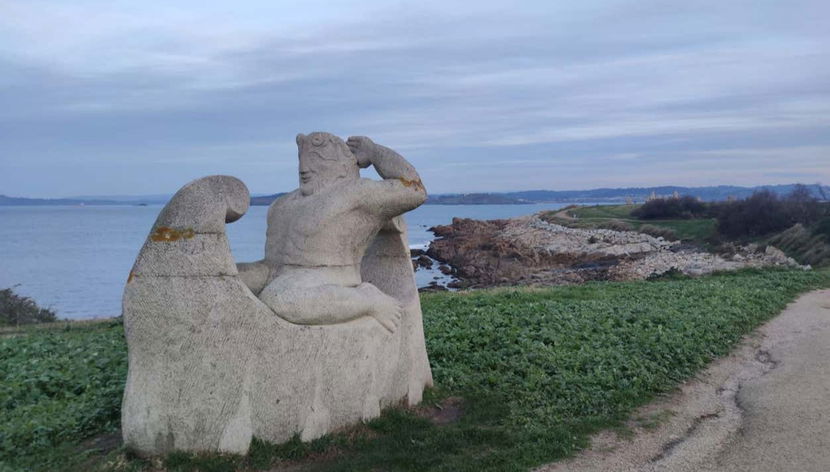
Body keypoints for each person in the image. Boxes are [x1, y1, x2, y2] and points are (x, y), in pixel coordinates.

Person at [237, 132, 426, 333]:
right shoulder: (282, 203)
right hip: (273, 272)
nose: (303, 168)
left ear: (343, 165)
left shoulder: (357, 192)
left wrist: (373, 152)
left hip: (327, 277)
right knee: (229, 278)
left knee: (280, 298)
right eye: (302, 158)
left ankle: (368, 300)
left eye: (316, 159)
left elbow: (414, 189)